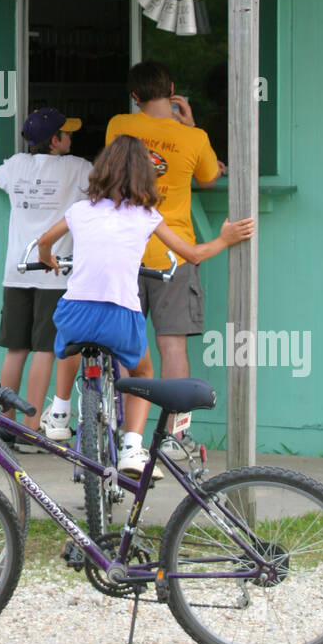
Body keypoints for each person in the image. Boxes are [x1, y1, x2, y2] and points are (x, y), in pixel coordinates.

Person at [38, 135, 253, 477]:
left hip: (76, 311)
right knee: (142, 372)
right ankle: (131, 448)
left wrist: (47, 259)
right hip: (120, 316)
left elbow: (45, 240)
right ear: (144, 176)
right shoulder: (146, 216)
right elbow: (193, 255)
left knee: (67, 345)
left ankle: (61, 411)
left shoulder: (80, 210)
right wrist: (225, 239)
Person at [105, 59, 224, 456]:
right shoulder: (194, 138)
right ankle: (175, 435)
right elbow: (208, 177)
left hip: (124, 251)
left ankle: (129, 434)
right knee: (172, 346)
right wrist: (188, 126)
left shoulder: (119, 126)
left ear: (134, 96)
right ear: (172, 89)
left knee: (127, 346)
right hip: (173, 252)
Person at [0, 108, 92, 448]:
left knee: (16, 348)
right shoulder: (78, 168)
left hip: (16, 271)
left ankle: (5, 422)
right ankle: (30, 427)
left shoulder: (15, 165)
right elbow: (102, 187)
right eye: (67, 134)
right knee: (45, 349)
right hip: (54, 271)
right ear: (54, 140)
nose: (71, 138)